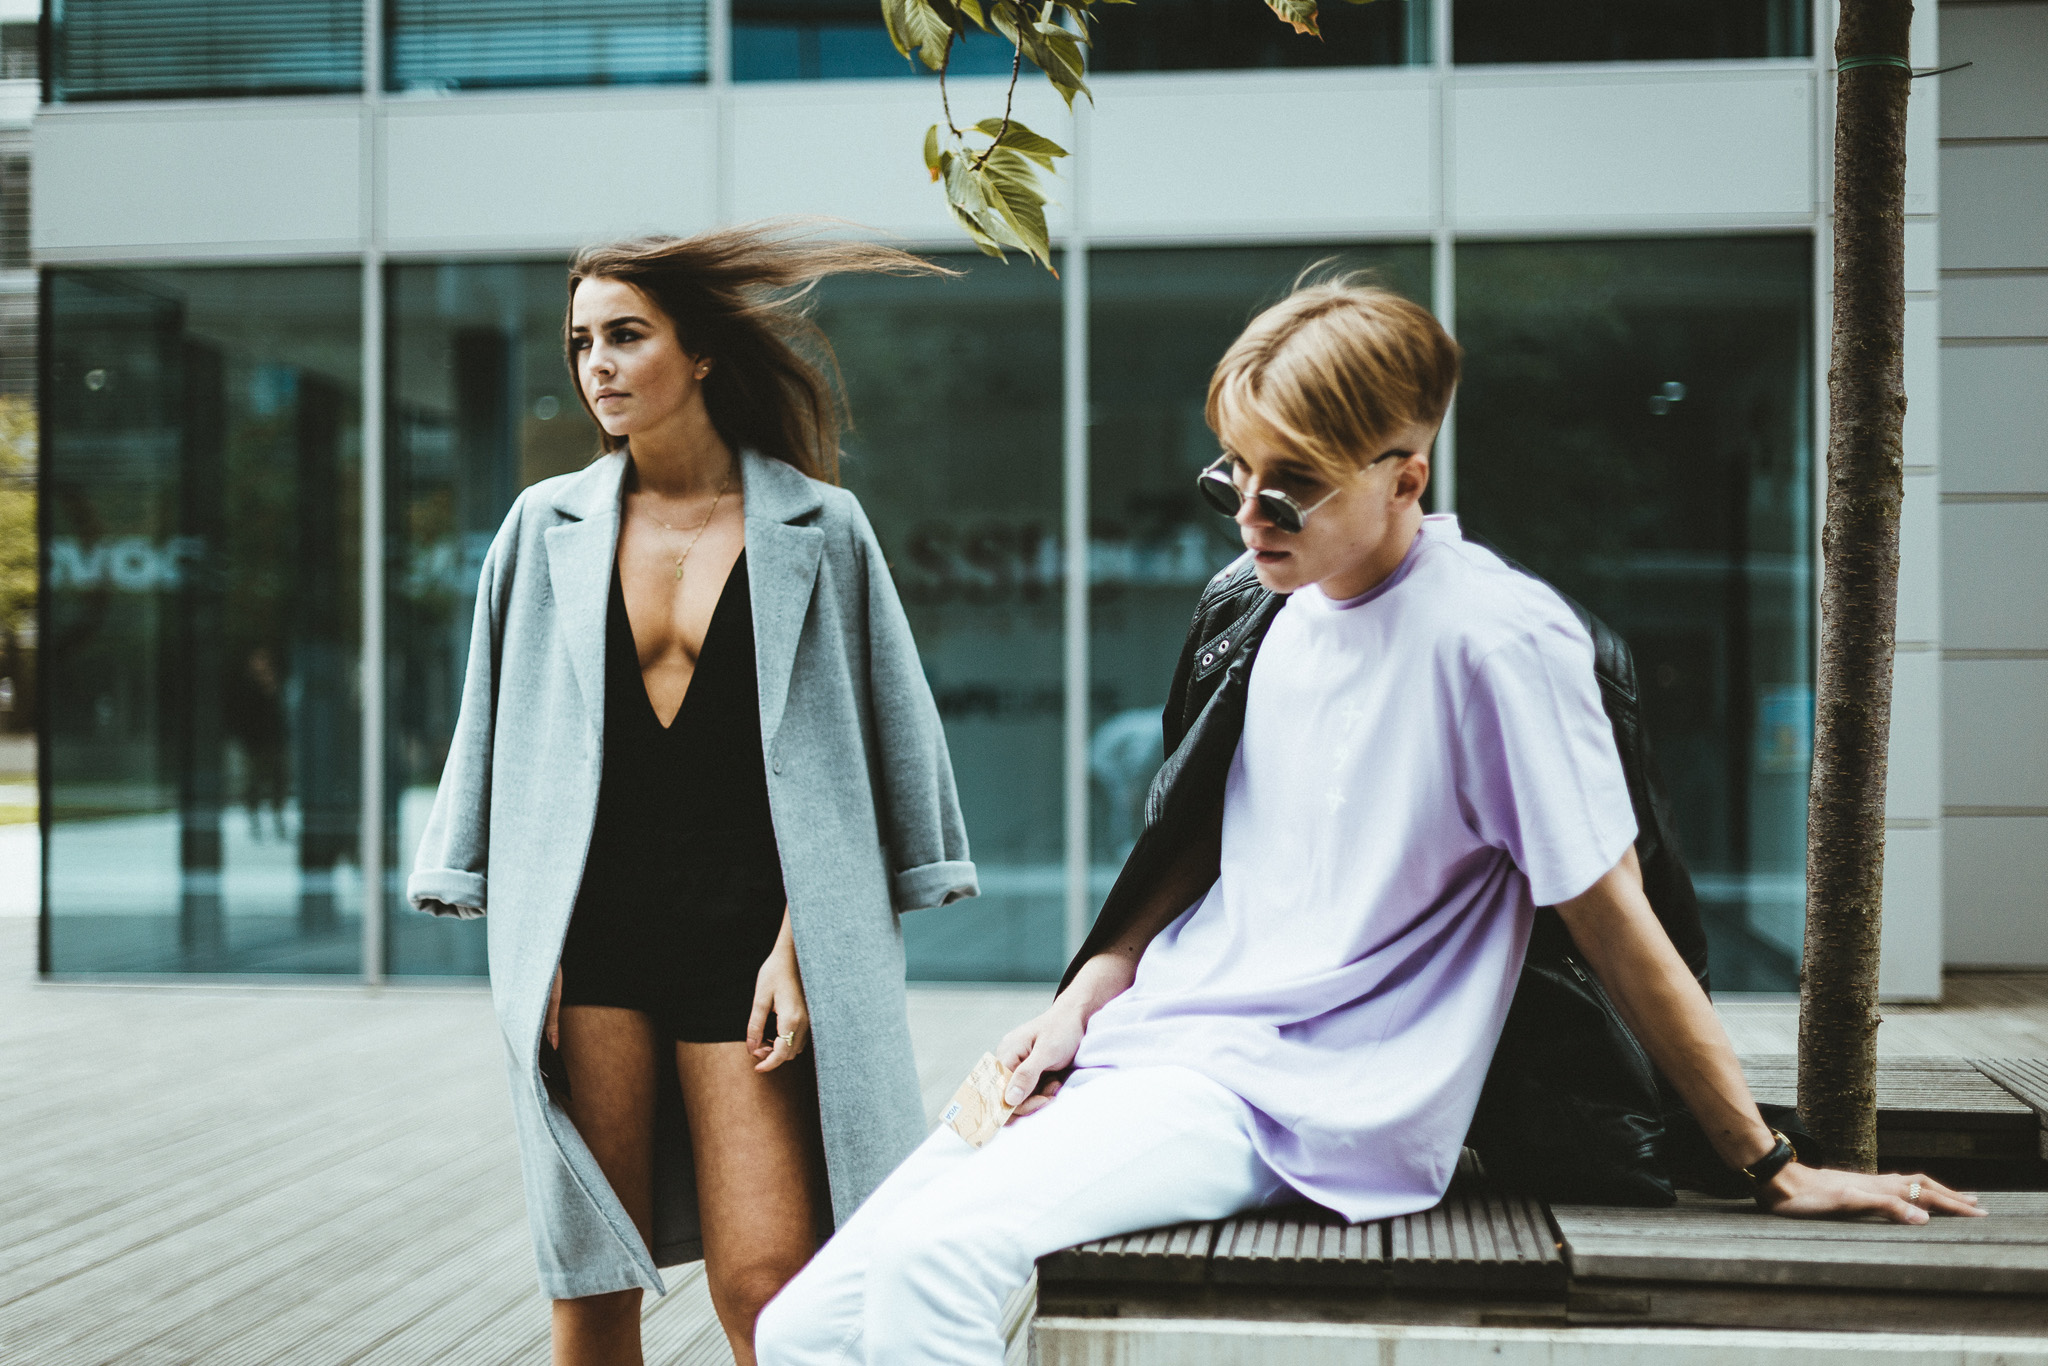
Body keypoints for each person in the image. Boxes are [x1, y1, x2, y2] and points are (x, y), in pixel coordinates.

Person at [755, 276, 1982, 1366]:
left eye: (1290, 488)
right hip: (1151, 1041)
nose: (1250, 516)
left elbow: (1617, 923)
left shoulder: (1496, 643)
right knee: (805, 1327)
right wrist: (1080, 1002)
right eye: (1232, 475)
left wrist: (1767, 1164)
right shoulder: (1264, 607)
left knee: (937, 1274)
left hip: (1288, 1090)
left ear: (1406, 474)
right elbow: (1201, 851)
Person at [406, 225, 977, 1366]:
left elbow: (882, 743)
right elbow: (493, 727)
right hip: (593, 943)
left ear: (702, 351)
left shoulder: (820, 528)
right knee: (593, 1284)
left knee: (769, 1286)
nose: (598, 366)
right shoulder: (542, 528)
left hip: (751, 943)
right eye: (581, 343)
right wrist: (518, 924)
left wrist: (802, 947)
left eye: (626, 336)